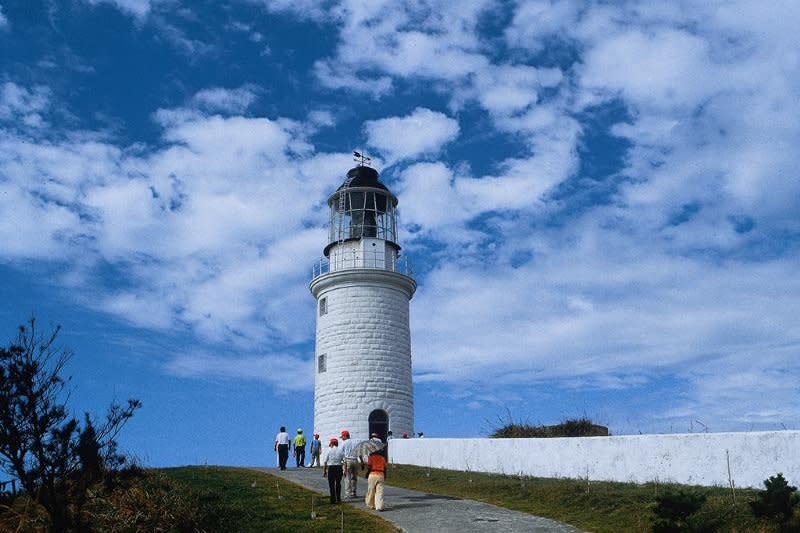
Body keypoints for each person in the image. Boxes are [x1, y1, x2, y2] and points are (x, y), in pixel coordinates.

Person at [364, 440, 387, 511]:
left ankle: (370, 504)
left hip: (372, 474)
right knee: (380, 491)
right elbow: (385, 468)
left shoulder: (371, 457)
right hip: (381, 475)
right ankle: (379, 506)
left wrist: (367, 473)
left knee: (371, 490)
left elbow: (369, 467)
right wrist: (385, 475)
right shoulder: (383, 458)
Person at [323, 437, 345, 504]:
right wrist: (345, 470)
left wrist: (324, 471)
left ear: (332, 444)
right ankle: (338, 498)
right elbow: (344, 461)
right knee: (338, 484)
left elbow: (325, 462)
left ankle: (333, 499)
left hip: (331, 468)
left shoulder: (329, 450)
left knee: (331, 485)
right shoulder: (341, 450)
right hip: (339, 468)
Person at [340, 430, 359, 498]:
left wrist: (342, 462)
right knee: (354, 477)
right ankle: (354, 492)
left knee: (347, 477)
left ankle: (348, 493)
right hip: (355, 460)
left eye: (342, 436)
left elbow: (341, 453)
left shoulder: (344, 443)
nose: (342, 438)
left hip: (348, 460)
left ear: (345, 436)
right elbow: (359, 451)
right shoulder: (355, 442)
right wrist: (362, 461)